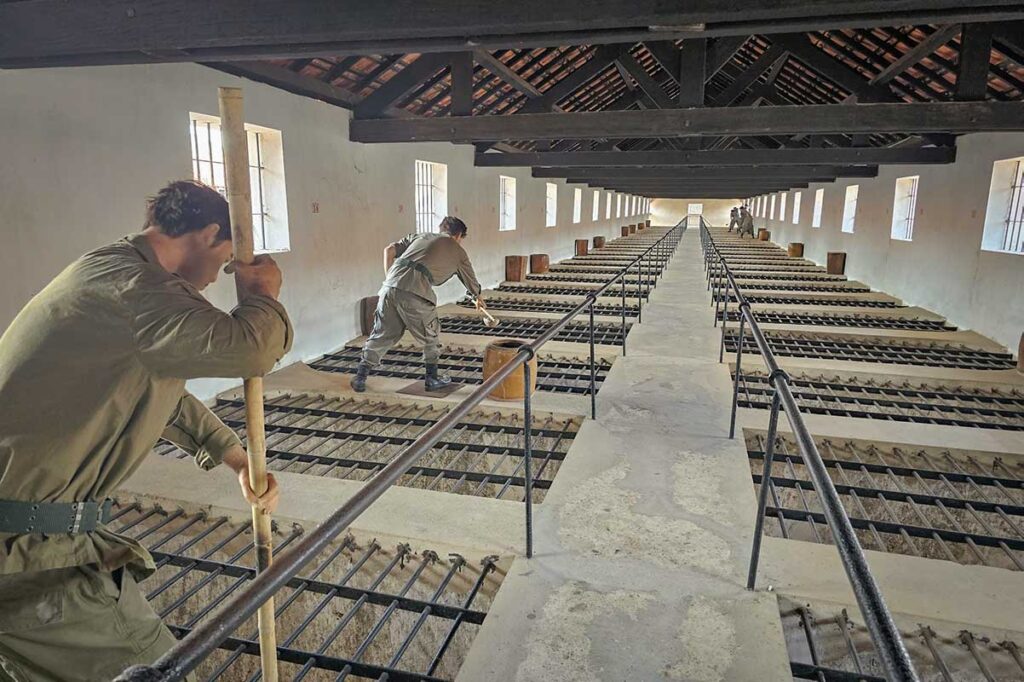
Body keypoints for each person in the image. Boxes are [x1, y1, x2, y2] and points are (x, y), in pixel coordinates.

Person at [0, 180, 292, 681]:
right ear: (208, 233)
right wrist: (263, 293)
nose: (219, 278)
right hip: (32, 555)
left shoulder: (107, 268)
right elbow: (252, 348)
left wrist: (232, 454)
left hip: (18, 532)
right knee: (161, 670)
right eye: (225, 262)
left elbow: (153, 388)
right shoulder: (144, 293)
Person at [352, 216, 483, 393]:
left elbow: (389, 250)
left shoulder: (420, 236)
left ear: (442, 229)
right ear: (458, 235)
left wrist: (391, 278)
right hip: (416, 292)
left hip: (389, 288)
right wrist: (478, 296)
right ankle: (432, 379)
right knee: (430, 334)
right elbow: (470, 279)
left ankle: (360, 377)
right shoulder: (458, 252)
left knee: (382, 333)